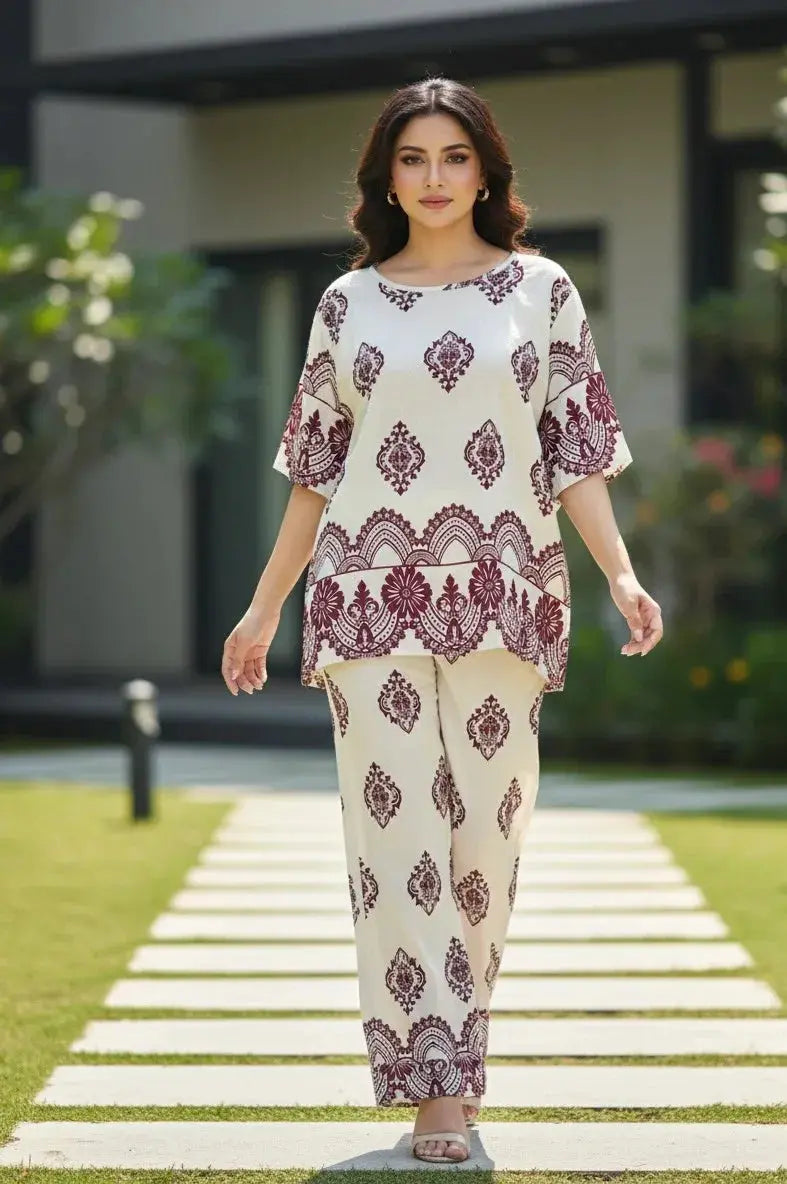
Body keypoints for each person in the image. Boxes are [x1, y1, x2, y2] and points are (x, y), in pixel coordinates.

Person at [221, 76, 663, 1164]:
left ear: (485, 169)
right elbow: (314, 475)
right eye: (410, 159)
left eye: (452, 157)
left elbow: (576, 452)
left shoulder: (542, 290)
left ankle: (461, 1054)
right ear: (386, 176)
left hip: (507, 598)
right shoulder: (346, 304)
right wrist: (264, 604)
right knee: (396, 839)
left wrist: (618, 572)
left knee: (482, 845)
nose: (431, 178)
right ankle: (435, 1093)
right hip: (365, 600)